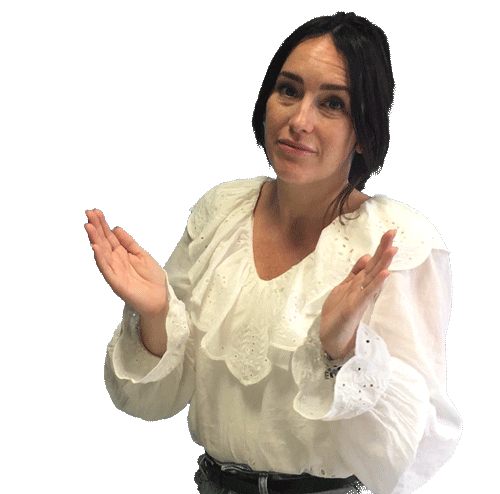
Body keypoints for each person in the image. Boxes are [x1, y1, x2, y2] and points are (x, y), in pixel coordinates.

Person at [84, 12, 462, 494]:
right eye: (288, 90)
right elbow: (156, 397)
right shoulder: (222, 212)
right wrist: (156, 315)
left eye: (332, 103)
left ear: (365, 132)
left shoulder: (395, 243)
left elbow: (409, 456)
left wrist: (343, 352)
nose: (299, 121)